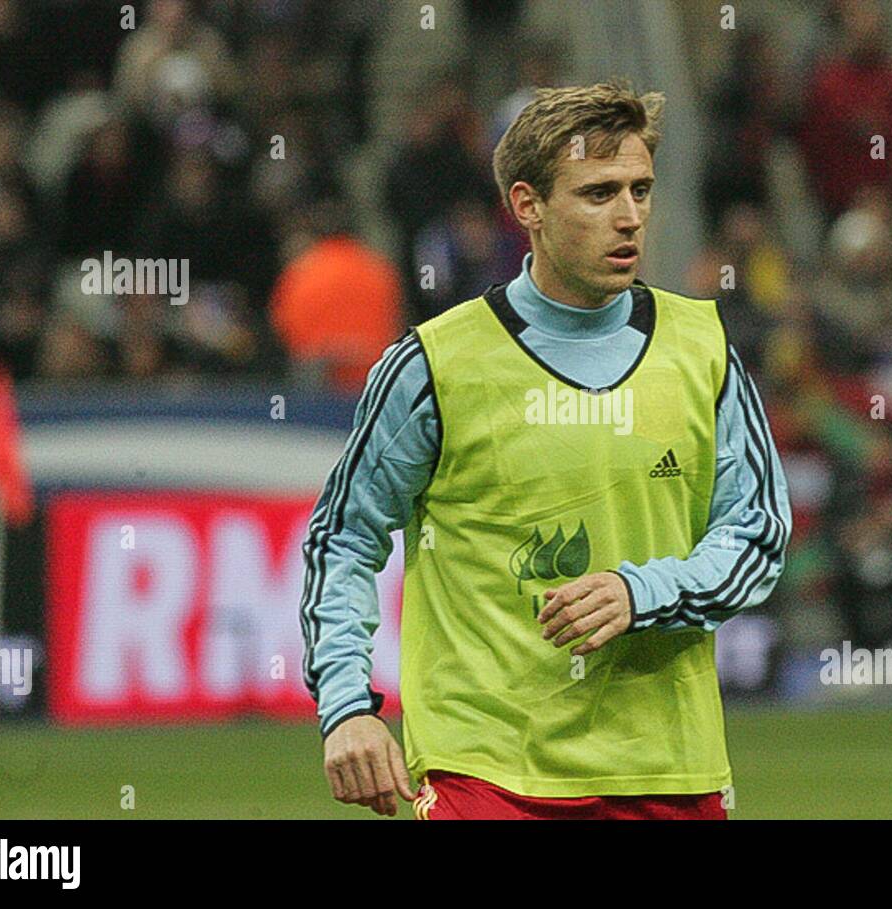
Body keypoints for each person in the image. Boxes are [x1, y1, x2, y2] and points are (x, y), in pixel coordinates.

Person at [299, 81, 791, 820]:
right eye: (597, 194)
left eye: (640, 190)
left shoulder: (704, 348)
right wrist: (348, 705)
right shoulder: (436, 363)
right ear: (527, 205)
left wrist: (641, 591)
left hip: (665, 767)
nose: (629, 217)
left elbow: (758, 536)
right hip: (487, 771)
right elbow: (342, 536)